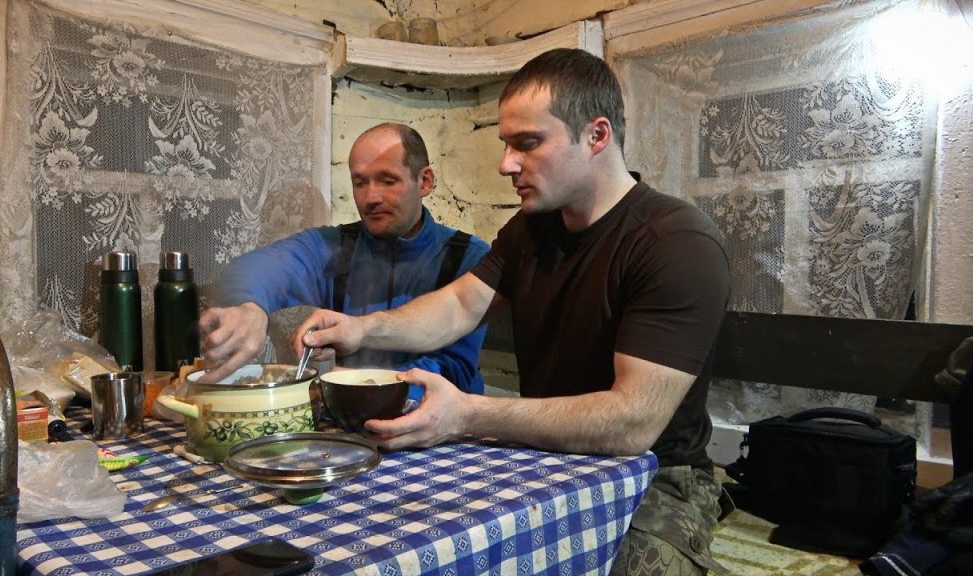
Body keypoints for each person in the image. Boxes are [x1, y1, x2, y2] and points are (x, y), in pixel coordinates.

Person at [294, 49, 731, 575]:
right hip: (544, 451)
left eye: (527, 143)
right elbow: (459, 305)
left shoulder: (675, 243)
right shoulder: (532, 229)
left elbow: (631, 422)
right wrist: (359, 328)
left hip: (656, 475)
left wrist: (468, 415)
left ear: (596, 136)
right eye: (506, 144)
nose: (506, 164)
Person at [196, 123, 490, 397]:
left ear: (424, 181)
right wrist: (250, 308)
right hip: (350, 418)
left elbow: (456, 370)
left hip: (445, 431)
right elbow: (260, 266)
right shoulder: (337, 246)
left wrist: (355, 384)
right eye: (360, 183)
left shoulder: (466, 255)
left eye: (387, 180)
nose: (370, 197)